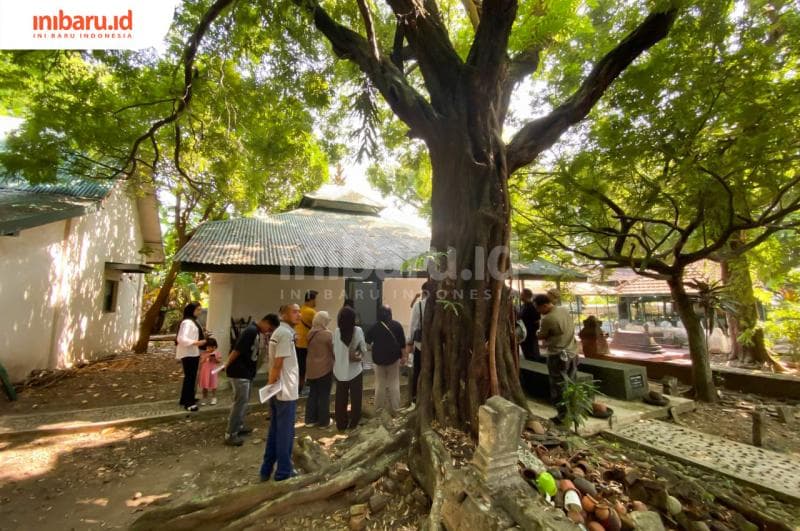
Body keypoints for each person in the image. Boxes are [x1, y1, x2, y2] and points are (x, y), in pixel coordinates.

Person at [223, 314, 280, 446]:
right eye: (269, 328)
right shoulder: (251, 331)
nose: (269, 331)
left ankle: (239, 426)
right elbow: (237, 350)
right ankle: (230, 433)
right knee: (239, 403)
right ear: (265, 322)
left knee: (244, 402)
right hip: (239, 372)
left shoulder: (256, 332)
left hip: (246, 372)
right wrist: (227, 364)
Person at [260, 304, 301, 481]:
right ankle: (284, 471)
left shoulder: (283, 333)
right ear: (283, 315)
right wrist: (270, 385)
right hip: (284, 389)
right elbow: (278, 364)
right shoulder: (284, 334)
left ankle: (266, 469)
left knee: (275, 431)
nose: (298, 314)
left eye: (298, 311)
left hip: (280, 388)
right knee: (285, 433)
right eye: (294, 311)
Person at [535, 293, 578, 425]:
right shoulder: (563, 310)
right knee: (571, 383)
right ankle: (574, 412)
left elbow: (541, 336)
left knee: (558, 385)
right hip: (572, 352)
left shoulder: (549, 319)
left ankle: (562, 416)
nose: (539, 312)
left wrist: (538, 330)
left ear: (545, 305)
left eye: (539, 308)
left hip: (558, 355)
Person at [366, 305, 407, 415]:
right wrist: (404, 357)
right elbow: (402, 344)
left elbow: (368, 343)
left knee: (380, 385)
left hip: (378, 360)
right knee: (394, 384)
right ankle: (396, 409)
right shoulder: (397, 325)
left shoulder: (374, 327)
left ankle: (378, 410)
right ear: (390, 314)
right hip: (393, 359)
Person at [333, 305, 367, 431]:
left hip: (339, 370)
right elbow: (363, 349)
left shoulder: (336, 332)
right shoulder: (357, 330)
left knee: (340, 398)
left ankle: (341, 424)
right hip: (354, 370)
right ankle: (354, 423)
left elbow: (334, 350)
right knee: (356, 398)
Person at [305, 311, 334, 427]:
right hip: (324, 369)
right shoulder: (328, 335)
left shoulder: (310, 333)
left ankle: (310, 420)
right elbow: (333, 351)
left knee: (313, 394)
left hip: (311, 369)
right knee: (324, 395)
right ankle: (323, 422)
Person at [175, 302, 207, 411]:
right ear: (191, 310)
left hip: (192, 352)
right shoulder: (187, 322)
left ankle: (185, 398)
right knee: (190, 378)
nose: (200, 311)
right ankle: (189, 403)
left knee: (190, 377)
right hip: (188, 353)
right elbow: (181, 339)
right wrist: (197, 342)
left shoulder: (192, 321)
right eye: (198, 309)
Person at [407, 280, 433, 404]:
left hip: (420, 345)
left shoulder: (419, 305)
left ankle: (415, 398)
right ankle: (431, 397)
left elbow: (413, 325)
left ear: (424, 292)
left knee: (417, 371)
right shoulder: (438, 305)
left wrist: (409, 342)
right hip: (435, 346)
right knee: (432, 370)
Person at [294, 290, 318, 397]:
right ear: (311, 299)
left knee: (300, 366)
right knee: (306, 367)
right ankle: (301, 388)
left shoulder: (300, 309)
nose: (316, 302)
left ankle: (299, 388)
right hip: (307, 343)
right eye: (315, 299)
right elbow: (320, 324)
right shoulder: (311, 312)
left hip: (298, 342)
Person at [518, 289, 543, 362]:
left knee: (532, 354)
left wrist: (533, 332)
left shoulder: (532, 307)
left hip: (530, 335)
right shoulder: (523, 306)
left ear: (525, 295)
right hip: (524, 335)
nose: (520, 296)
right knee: (527, 354)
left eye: (521, 294)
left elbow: (537, 322)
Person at [198, 338, 221, 405]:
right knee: (205, 385)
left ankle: (214, 397)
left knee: (213, 384)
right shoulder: (204, 353)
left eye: (213, 347)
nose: (210, 348)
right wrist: (205, 357)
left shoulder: (216, 352)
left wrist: (214, 359)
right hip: (205, 372)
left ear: (215, 347)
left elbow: (219, 361)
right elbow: (201, 362)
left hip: (213, 371)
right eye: (209, 347)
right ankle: (204, 398)